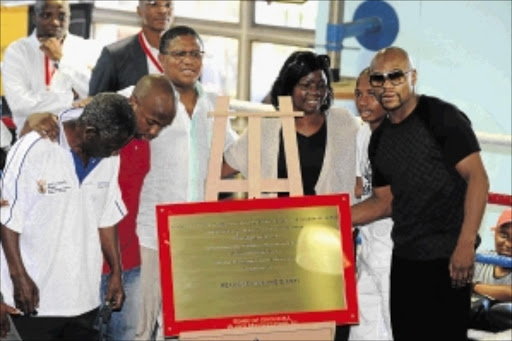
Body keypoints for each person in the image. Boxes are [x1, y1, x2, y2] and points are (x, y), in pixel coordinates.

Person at [19, 74, 177, 341]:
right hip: (74, 267)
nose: (154, 132)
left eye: (162, 126)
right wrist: (33, 121)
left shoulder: (142, 140)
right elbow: (38, 134)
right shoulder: (91, 121)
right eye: (151, 122)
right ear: (134, 102)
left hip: (125, 262)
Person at [351, 46, 489, 340]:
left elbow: (478, 178)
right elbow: (384, 202)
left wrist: (465, 243)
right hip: (405, 260)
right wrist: (331, 217)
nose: (386, 85)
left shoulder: (441, 117)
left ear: (412, 77)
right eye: (378, 78)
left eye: (395, 76)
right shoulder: (380, 140)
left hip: (449, 259)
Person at [223, 51, 359, 340]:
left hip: (328, 243)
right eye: (306, 85)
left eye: (320, 85)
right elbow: (224, 168)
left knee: (328, 326)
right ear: (288, 87)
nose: (315, 93)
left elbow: (361, 173)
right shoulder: (267, 126)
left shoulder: (344, 123)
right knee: (280, 326)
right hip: (277, 244)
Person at [0, 93, 136, 340]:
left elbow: (106, 217)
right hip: (35, 300)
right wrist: (18, 277)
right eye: (111, 145)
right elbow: (8, 219)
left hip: (84, 299)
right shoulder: (35, 147)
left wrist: (117, 271)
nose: (116, 152)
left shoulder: (109, 156)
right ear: (90, 132)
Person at [135, 25, 237, 341]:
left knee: (184, 327)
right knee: (141, 325)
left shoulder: (214, 105)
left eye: (195, 54)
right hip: (149, 232)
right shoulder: (140, 97)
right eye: (180, 53)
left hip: (196, 235)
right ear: (161, 59)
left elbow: (230, 156)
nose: (189, 60)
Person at [1, 0, 101, 137]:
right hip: (32, 139)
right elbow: (19, 104)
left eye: (62, 16)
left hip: (76, 141)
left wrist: (61, 59)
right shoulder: (18, 51)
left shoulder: (88, 49)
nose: (55, 22)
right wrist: (71, 98)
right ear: (35, 17)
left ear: (69, 16)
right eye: (46, 15)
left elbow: (95, 94)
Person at [349, 68, 393, 341]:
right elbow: (359, 188)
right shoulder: (363, 134)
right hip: (369, 251)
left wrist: (327, 219)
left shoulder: (402, 138)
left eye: (371, 94)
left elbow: (385, 204)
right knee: (362, 333)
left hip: (399, 257)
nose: (363, 101)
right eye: (358, 93)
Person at [89, 0, 174, 95]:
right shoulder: (115, 55)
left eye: (168, 5)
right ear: (140, 11)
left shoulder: (186, 54)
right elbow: (94, 104)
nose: (162, 10)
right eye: (153, 4)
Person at [470, 208, 512, 332]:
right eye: (504, 235)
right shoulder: (480, 259)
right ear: (495, 233)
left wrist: (473, 287)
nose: (509, 244)